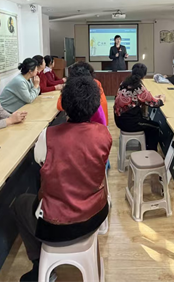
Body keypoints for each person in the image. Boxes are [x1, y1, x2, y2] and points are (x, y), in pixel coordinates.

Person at [11, 77, 112, 282]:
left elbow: (40, 161)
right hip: (96, 214)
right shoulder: (104, 134)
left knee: (19, 204)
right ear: (95, 105)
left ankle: (39, 264)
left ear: (64, 104)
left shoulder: (47, 136)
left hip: (57, 225)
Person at [114, 63, 165, 151]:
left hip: (119, 119)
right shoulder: (139, 87)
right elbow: (155, 104)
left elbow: (138, 98)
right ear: (144, 76)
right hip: (129, 123)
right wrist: (162, 99)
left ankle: (146, 146)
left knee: (147, 122)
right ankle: (150, 152)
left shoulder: (124, 83)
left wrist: (152, 97)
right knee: (155, 127)